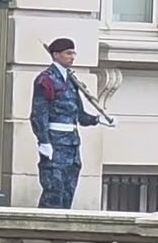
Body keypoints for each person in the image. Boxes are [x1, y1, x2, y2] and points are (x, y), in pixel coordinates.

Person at [31, 38, 116, 209]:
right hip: (55, 142)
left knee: (68, 192)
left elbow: (80, 115)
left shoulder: (72, 81)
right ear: (56, 55)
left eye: (73, 53)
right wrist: (44, 141)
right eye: (68, 53)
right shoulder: (45, 80)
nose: (72, 57)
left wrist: (97, 119)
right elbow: (39, 114)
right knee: (53, 191)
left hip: (72, 144)